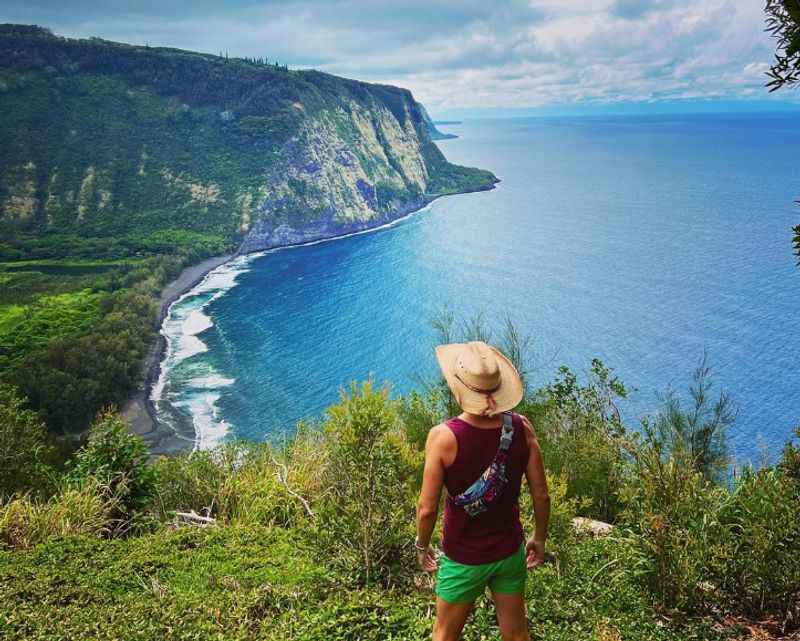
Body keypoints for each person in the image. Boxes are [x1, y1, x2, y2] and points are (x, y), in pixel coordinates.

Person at [415, 341, 550, 641]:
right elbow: (541, 494)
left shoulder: (443, 438)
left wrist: (421, 547)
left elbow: (427, 508)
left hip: (462, 556)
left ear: (459, 387)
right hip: (509, 552)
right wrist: (539, 538)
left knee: (445, 634)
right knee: (516, 634)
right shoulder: (522, 428)